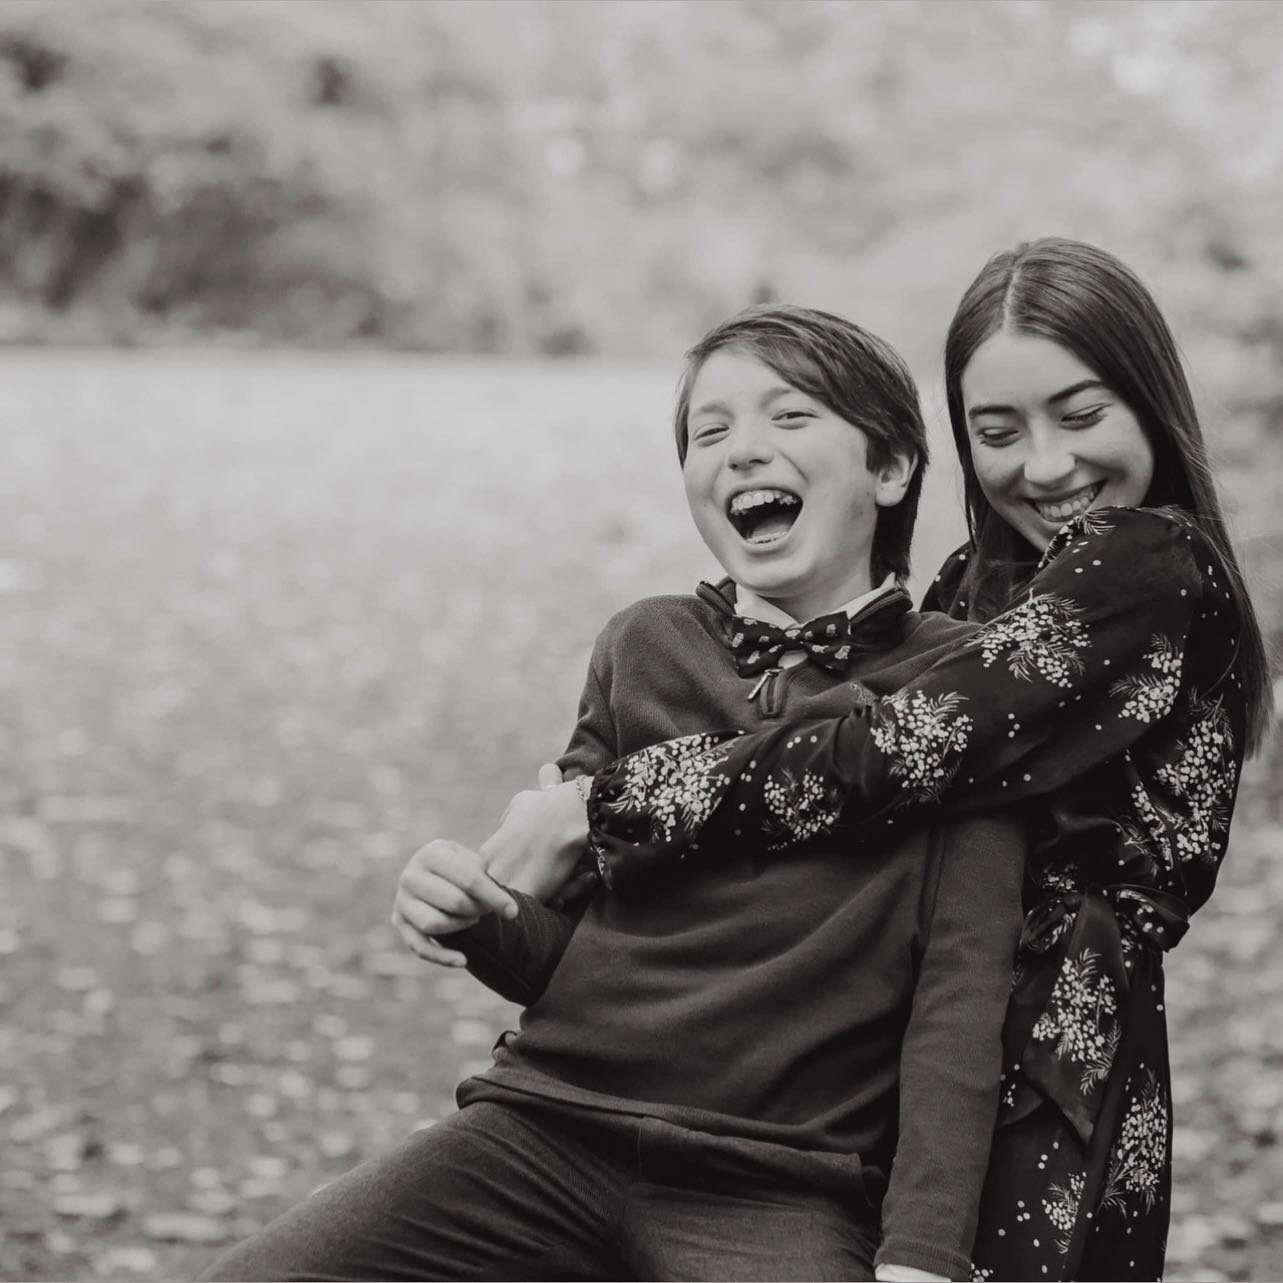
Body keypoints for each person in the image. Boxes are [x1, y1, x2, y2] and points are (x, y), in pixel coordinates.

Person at [477, 237, 1273, 1282]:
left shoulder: (1144, 562)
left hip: (1036, 1048)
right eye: (996, 430)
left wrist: (607, 805)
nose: (1043, 464)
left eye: (1079, 415)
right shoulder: (982, 581)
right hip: (881, 1043)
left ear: (1150, 402)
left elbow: (894, 748)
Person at [202, 306, 1026, 1282]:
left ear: (888, 467)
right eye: (708, 432)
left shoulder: (961, 690)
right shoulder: (642, 645)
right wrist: (481, 915)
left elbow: (960, 997)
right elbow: (570, 956)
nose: (742, 449)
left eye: (790, 416)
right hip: (540, 1130)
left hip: (771, 1185)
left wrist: (921, 1256)